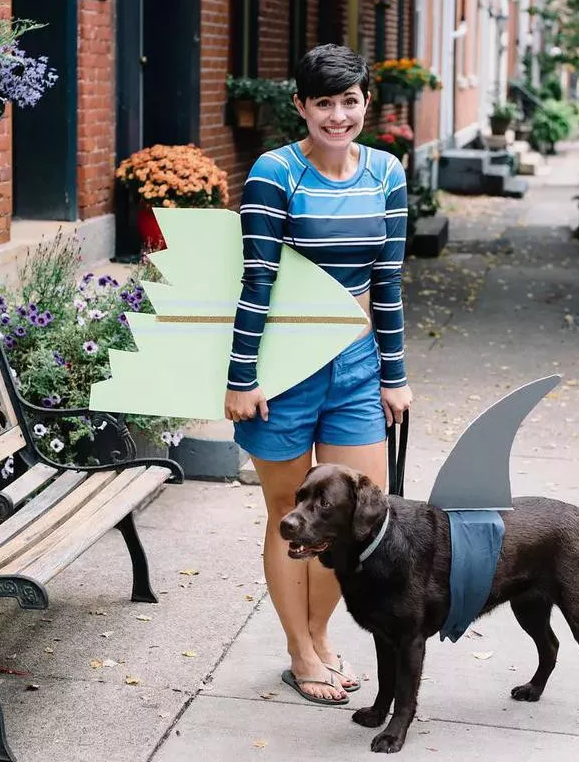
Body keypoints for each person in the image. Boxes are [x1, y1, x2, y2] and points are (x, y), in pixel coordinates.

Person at [224, 44, 413, 705]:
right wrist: (242, 377)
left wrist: (395, 374)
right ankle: (300, 651)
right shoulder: (275, 173)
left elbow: (387, 281)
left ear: (367, 102)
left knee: (357, 517)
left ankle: (321, 635)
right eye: (324, 103)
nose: (338, 115)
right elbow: (258, 279)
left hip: (358, 369)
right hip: (280, 375)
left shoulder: (386, 173)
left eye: (350, 101)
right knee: (287, 513)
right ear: (300, 106)